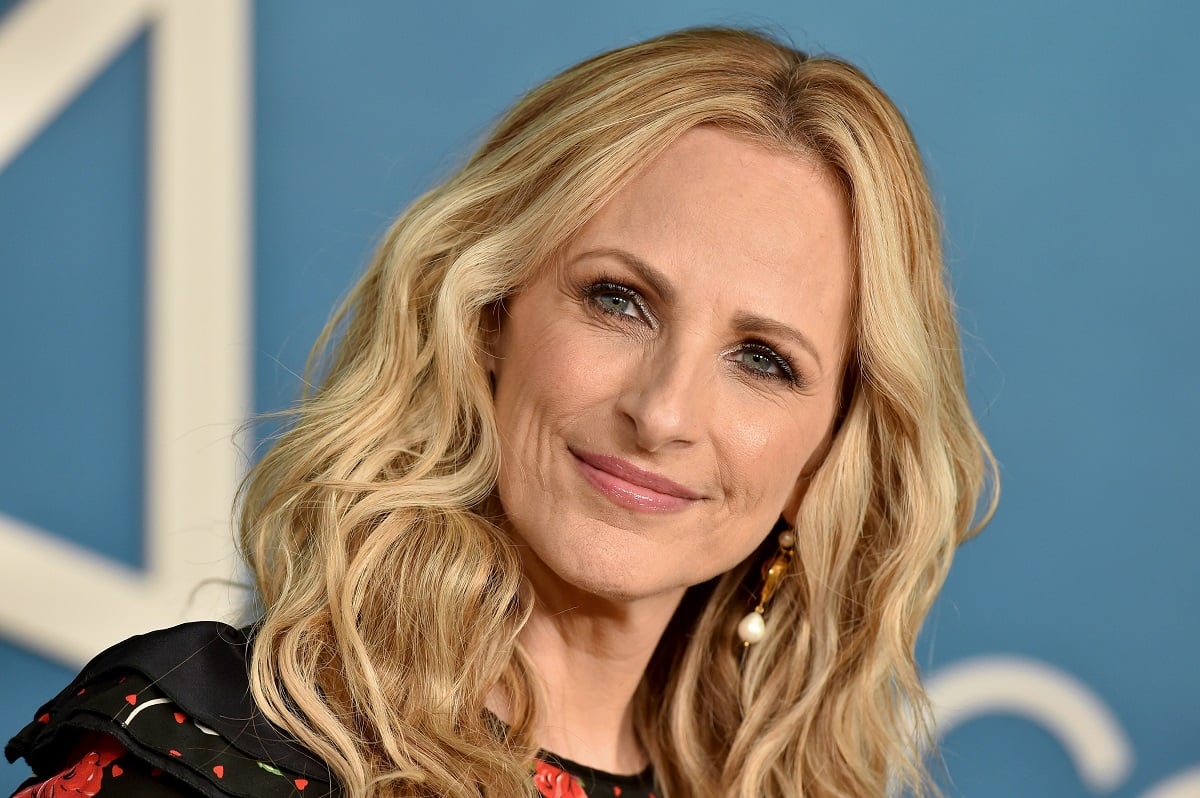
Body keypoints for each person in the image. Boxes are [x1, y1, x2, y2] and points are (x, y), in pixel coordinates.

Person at [6, 26, 996, 798]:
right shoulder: (214, 761)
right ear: (487, 316)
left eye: (763, 360)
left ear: (828, 455)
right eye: (619, 300)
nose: (662, 412)